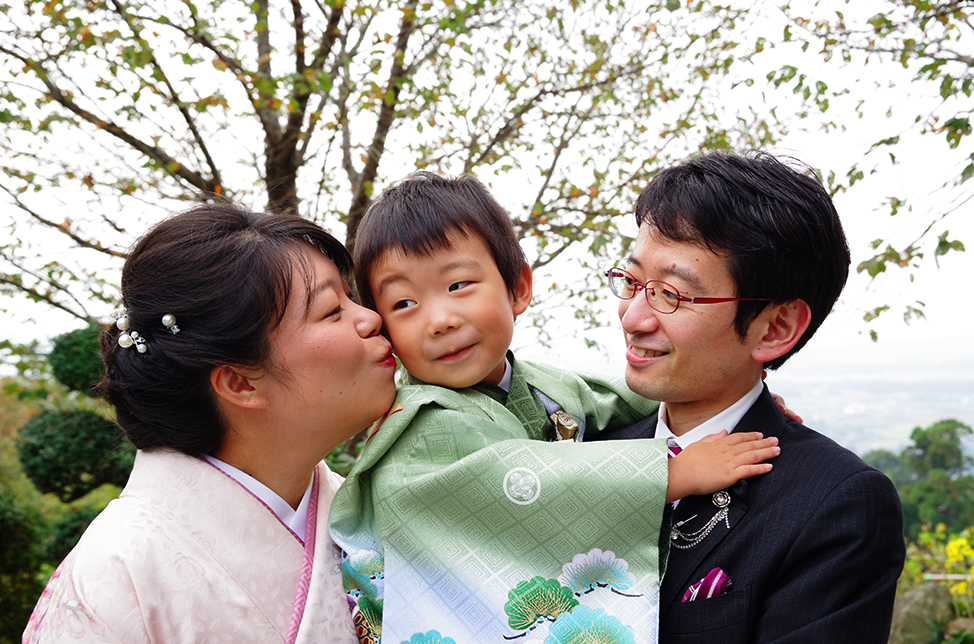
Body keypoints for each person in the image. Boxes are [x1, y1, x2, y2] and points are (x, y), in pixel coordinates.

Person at [328, 171, 781, 643]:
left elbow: (611, 398)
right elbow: (517, 479)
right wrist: (674, 474)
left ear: (519, 288)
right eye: (403, 302)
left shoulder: (539, 384)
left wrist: (727, 394)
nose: (439, 320)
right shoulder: (418, 425)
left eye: (458, 285)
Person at [23, 203, 398, 644]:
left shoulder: (363, 509)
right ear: (240, 382)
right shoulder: (118, 572)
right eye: (333, 309)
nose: (371, 318)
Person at [592, 151, 906, 643]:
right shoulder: (588, 451)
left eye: (672, 294)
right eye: (632, 282)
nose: (634, 317)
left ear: (776, 327)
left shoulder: (834, 505)